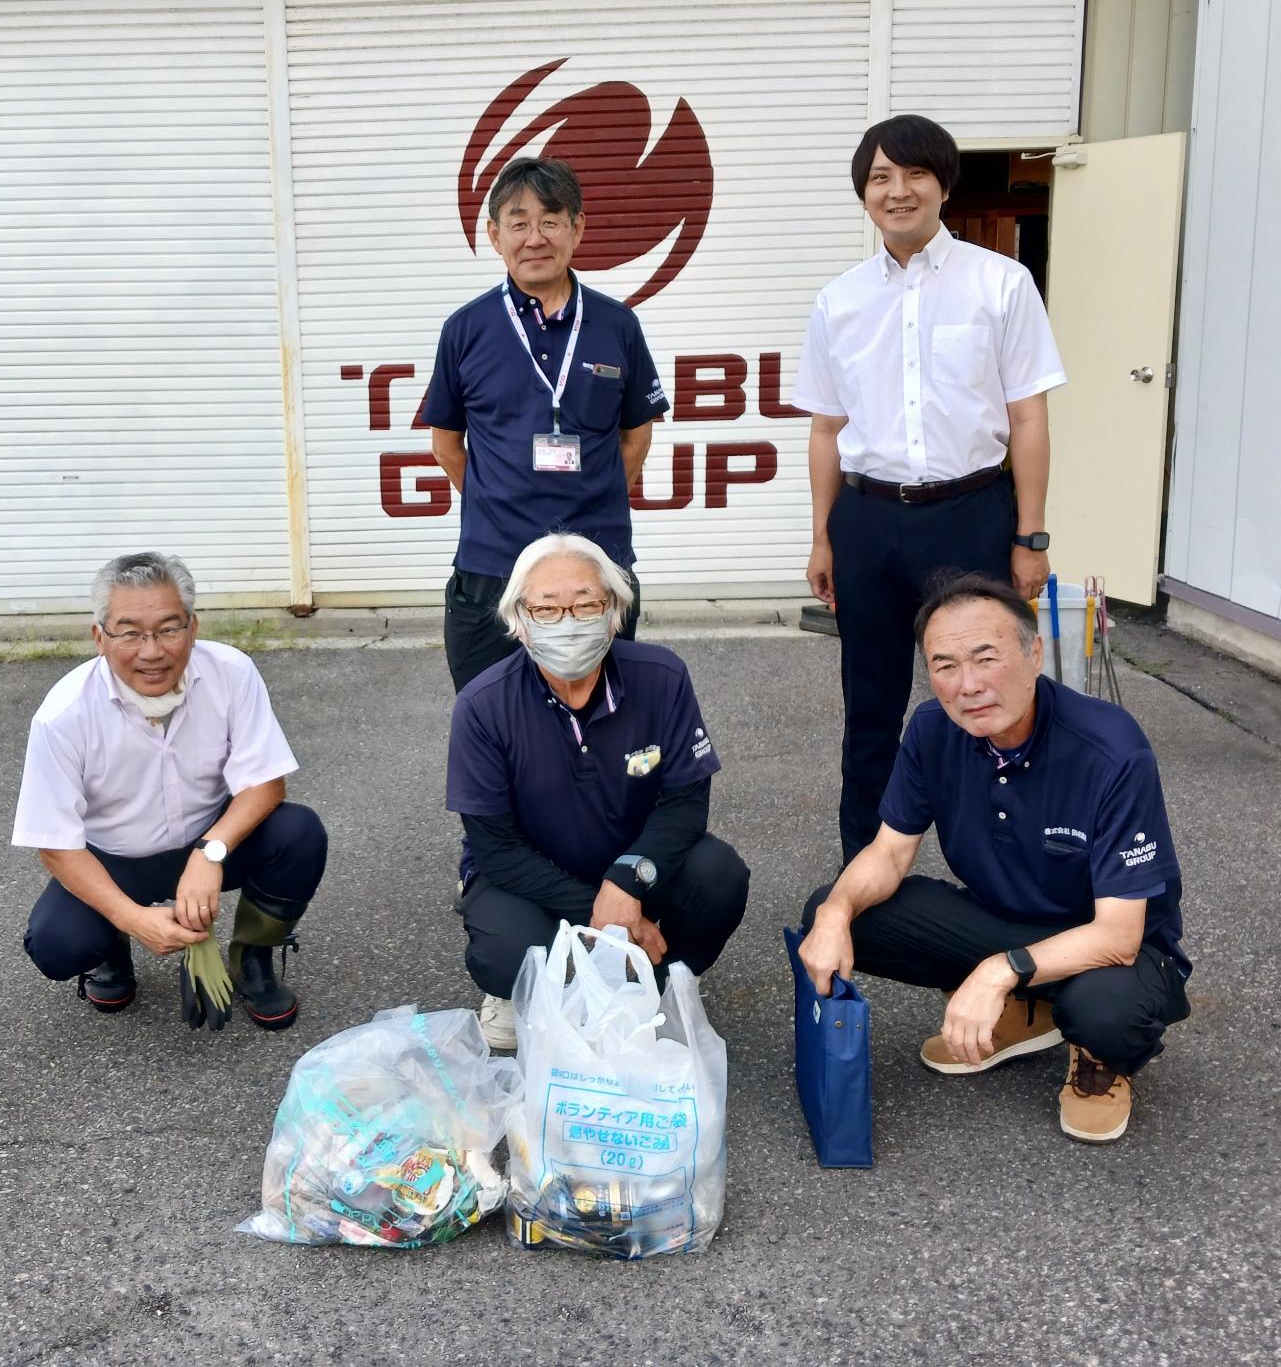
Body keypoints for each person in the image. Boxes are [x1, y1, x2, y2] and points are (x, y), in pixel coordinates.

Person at [798, 573, 1190, 1144]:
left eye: (986, 658)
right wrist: (833, 915)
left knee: (1107, 1011)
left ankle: (1095, 1057)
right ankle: (1028, 1012)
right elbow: (887, 852)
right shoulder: (933, 729)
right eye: (945, 665)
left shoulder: (1110, 750)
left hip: (1115, 951)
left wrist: (996, 971)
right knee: (842, 911)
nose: (968, 685)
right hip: (1009, 924)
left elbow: (1119, 934)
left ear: (1034, 654)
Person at [791, 113, 1068, 863]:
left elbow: (1028, 417)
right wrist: (823, 534)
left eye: (913, 173)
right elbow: (825, 430)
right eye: (879, 177)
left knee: (988, 699)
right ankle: (865, 876)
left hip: (972, 513)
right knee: (871, 707)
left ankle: (1005, 869)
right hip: (869, 519)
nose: (897, 190)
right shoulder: (837, 301)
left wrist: (1030, 537)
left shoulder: (1000, 283)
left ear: (943, 183)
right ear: (863, 195)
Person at [446, 532, 750, 1050]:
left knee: (719, 874)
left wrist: (627, 885)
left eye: (587, 604)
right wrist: (604, 912)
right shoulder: (482, 704)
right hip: (527, 878)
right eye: (546, 608)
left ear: (615, 613)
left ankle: (653, 987)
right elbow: (495, 847)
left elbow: (686, 803)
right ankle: (526, 992)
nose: (569, 622)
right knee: (505, 950)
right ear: (518, 621)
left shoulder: (663, 677)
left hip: (631, 865)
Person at [15, 552, 327, 1030]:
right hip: (116, 860)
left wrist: (210, 852)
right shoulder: (63, 716)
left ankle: (253, 958)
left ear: (193, 626)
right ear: (99, 636)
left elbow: (265, 782)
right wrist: (132, 919)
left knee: (299, 833)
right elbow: (55, 845)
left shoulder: (232, 672)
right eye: (130, 632)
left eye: (167, 628)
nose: (152, 650)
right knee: (58, 945)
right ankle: (112, 946)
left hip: (209, 839)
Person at [425, 156, 671, 692]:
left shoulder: (616, 324)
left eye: (551, 221)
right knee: (489, 715)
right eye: (518, 223)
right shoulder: (465, 330)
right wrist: (496, 498)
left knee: (603, 716)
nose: (534, 238)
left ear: (577, 228)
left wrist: (597, 493)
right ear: (494, 235)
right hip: (493, 563)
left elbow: (637, 434)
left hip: (597, 561)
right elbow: (446, 444)